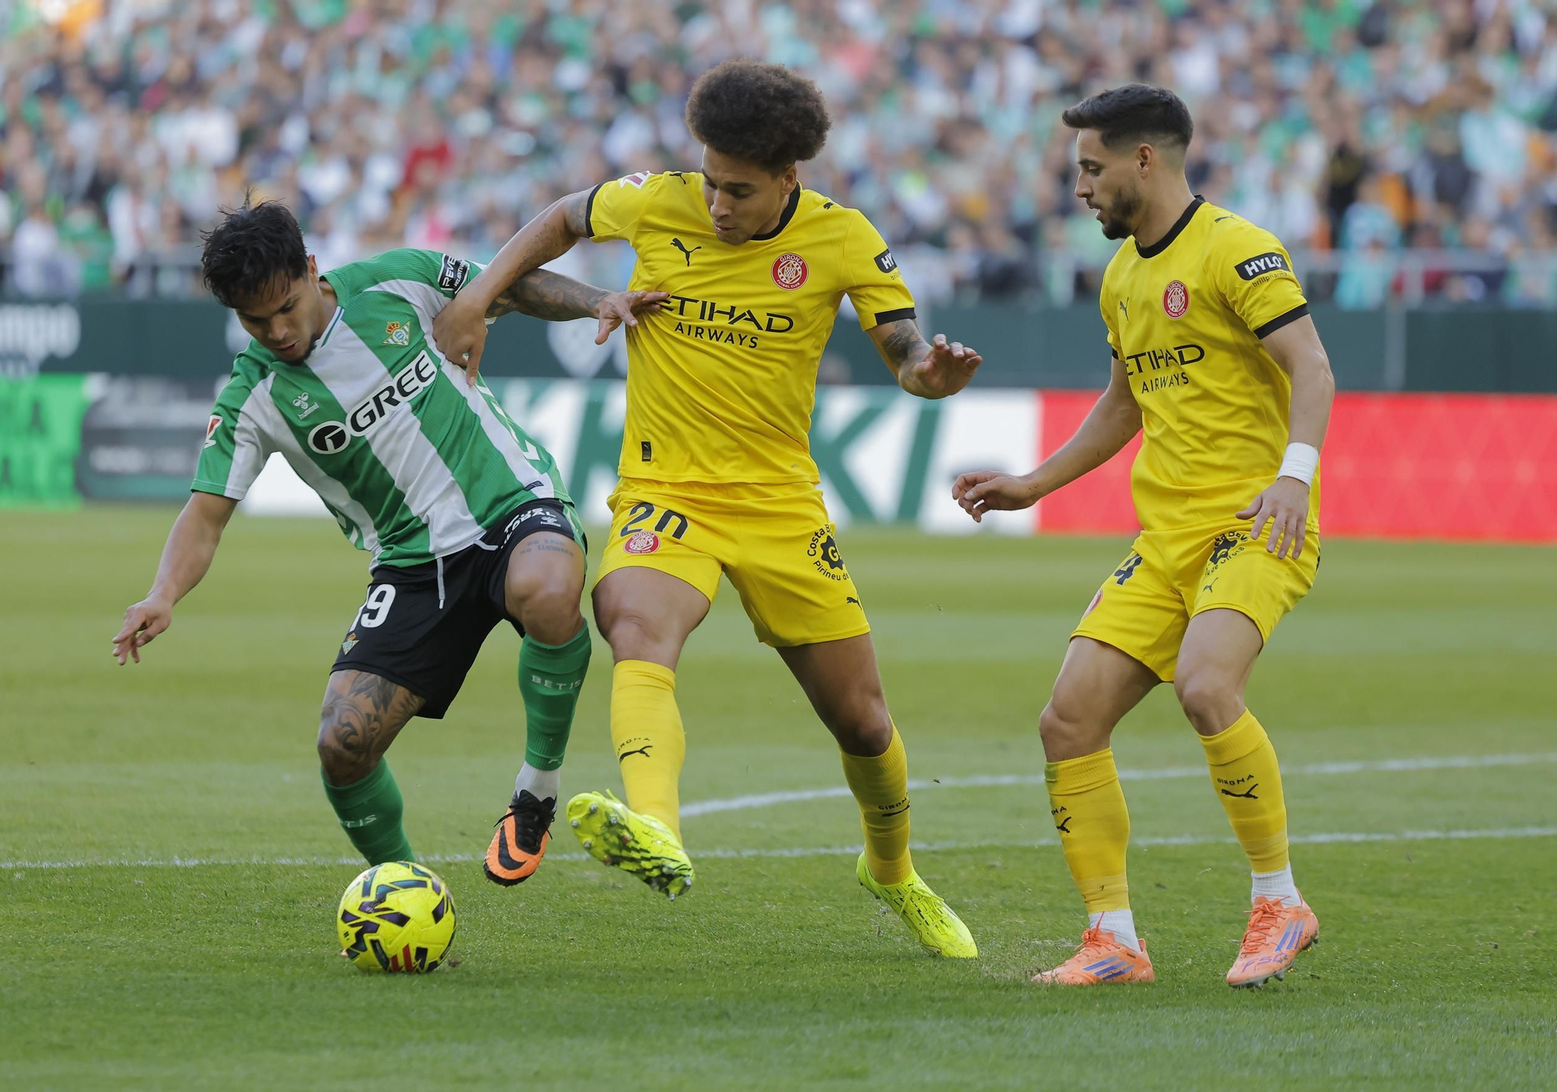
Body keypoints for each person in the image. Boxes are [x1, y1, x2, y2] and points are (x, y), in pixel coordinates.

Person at [433, 60, 983, 957]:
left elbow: (907, 354)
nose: (718, 204)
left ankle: (891, 871)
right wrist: (478, 294)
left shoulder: (844, 239)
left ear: (788, 179)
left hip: (780, 506)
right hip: (666, 489)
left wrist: (936, 377)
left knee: (863, 721)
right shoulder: (659, 200)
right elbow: (563, 218)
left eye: (739, 191)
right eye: (711, 180)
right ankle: (659, 830)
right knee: (632, 624)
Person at [112, 199, 666, 885]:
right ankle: (406, 888)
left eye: (286, 307)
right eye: (256, 321)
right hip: (410, 563)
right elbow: (205, 515)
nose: (277, 331)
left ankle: (536, 791)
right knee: (342, 746)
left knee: (548, 588)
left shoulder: (394, 281)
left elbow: (509, 284)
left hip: (513, 502)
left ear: (311, 270)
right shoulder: (253, 397)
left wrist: (596, 301)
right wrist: (163, 593)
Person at [954, 84, 1336, 987]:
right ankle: (1113, 941)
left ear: (1145, 160)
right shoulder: (1122, 275)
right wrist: (1030, 483)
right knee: (1067, 720)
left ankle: (1281, 902)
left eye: (1090, 168)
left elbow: (1311, 367)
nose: (1079, 187)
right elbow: (1124, 404)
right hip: (1164, 538)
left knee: (1206, 686)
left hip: (1254, 522)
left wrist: (1294, 478)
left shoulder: (1238, 250)